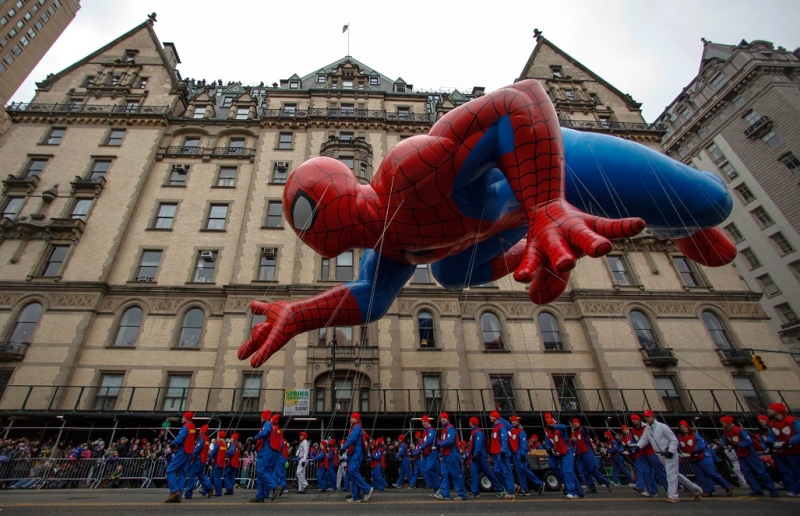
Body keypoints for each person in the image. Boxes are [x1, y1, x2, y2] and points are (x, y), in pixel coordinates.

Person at [239, 80, 736, 370]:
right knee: (451, 274)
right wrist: (299, 315)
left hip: (562, 168)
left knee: (713, 208)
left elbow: (521, 100)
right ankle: (544, 247)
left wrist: (545, 203)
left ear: (339, 191)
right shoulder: (387, 250)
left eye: (305, 214)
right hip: (521, 220)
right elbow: (369, 299)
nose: (311, 234)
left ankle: (679, 224)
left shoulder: (408, 170)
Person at [635, 410, 702, 503]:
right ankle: (697, 490)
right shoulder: (647, 429)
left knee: (671, 474)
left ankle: (673, 496)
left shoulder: (662, 427)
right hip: (659, 454)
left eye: (648, 416)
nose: (646, 418)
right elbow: (644, 439)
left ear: (653, 416)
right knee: (675, 474)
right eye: (645, 417)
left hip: (669, 453)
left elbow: (674, 440)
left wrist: (670, 451)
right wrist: (637, 446)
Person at [718, 416, 778, 497]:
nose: (722, 423)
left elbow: (748, 441)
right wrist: (720, 445)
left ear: (728, 422)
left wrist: (738, 445)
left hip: (749, 453)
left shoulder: (739, 430)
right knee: (746, 472)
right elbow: (724, 441)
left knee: (761, 471)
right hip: (740, 453)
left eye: (723, 422)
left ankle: (773, 490)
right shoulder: (726, 431)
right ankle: (756, 489)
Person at [678, 420, 732, 497]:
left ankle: (726, 486)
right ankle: (706, 490)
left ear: (688, 427)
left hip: (702, 457)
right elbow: (679, 446)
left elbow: (701, 444)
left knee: (710, 472)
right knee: (700, 475)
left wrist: (695, 450)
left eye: (684, 427)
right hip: (692, 458)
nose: (683, 429)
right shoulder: (680, 438)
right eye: (681, 427)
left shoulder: (695, 435)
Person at [544, 412, 584, 499]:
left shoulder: (560, 431)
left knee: (567, 471)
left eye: (551, 423)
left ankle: (571, 491)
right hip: (560, 455)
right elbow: (547, 442)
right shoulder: (548, 434)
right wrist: (548, 449)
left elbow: (564, 427)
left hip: (567, 453)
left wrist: (554, 426)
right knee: (567, 473)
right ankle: (580, 492)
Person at [570, 418, 614, 493]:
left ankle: (606, 482)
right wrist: (575, 452)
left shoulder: (582, 430)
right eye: (573, 423)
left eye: (576, 422)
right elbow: (576, 445)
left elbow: (585, 432)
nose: (575, 424)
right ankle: (592, 487)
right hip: (580, 454)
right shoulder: (575, 433)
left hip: (586, 452)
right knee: (584, 471)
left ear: (579, 423)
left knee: (592, 469)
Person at [765, 403, 800, 497]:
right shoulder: (772, 423)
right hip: (781, 451)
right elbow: (771, 435)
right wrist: (770, 442)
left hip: (795, 451)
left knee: (797, 469)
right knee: (786, 471)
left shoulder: (792, 421)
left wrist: (791, 442)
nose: (768, 410)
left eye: (770, 409)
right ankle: (794, 489)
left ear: (777, 411)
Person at [432, 412, 467, 500]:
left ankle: (462, 494)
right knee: (444, 474)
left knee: (456, 474)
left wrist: (439, 445)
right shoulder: (444, 429)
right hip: (446, 455)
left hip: (452, 454)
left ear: (447, 419)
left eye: (444, 418)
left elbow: (450, 441)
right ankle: (444, 493)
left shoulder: (450, 428)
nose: (442, 419)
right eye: (441, 418)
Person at [340, 412, 373, 503]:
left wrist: (344, 447)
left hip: (357, 452)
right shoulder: (356, 427)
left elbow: (352, 438)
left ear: (356, 419)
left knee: (353, 470)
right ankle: (356, 496)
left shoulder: (356, 427)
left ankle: (367, 488)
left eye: (352, 417)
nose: (350, 419)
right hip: (354, 452)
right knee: (353, 472)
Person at [509, 415, 545, 495]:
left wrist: (522, 453)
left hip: (519, 453)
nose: (513, 422)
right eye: (512, 421)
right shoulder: (512, 431)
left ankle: (539, 483)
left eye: (515, 420)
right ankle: (524, 489)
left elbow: (523, 443)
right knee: (520, 472)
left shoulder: (521, 431)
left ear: (518, 422)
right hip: (515, 453)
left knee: (524, 470)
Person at [164, 411, 196, 503]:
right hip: (189, 452)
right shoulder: (193, 427)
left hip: (182, 451)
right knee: (182, 473)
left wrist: (171, 443)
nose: (182, 419)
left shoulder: (185, 427)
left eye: (183, 417)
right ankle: (179, 494)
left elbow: (180, 439)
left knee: (170, 470)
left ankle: (174, 491)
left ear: (186, 418)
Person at [467, 416, 502, 497]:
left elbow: (478, 444)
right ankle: (474, 491)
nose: (469, 422)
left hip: (480, 456)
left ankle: (500, 488)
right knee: (474, 472)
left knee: (487, 472)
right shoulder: (475, 432)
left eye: (470, 421)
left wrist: (475, 453)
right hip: (477, 455)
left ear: (472, 423)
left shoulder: (477, 432)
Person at [250, 409, 280, 503]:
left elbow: (265, 433)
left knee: (261, 471)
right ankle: (260, 495)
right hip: (267, 451)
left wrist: (255, 438)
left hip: (265, 451)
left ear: (263, 417)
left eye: (261, 417)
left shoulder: (266, 424)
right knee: (261, 474)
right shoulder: (271, 425)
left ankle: (274, 487)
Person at [488, 411, 516, 499]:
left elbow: (504, 439)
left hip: (501, 453)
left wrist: (503, 451)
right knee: (497, 470)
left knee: (506, 471)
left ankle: (511, 491)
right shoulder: (495, 428)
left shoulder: (501, 427)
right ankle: (510, 486)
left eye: (491, 416)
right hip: (496, 453)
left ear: (495, 417)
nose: (490, 418)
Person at [184, 423, 215, 499]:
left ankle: (188, 493)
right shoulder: (207, 439)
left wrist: (191, 456)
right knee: (201, 475)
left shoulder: (202, 438)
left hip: (198, 459)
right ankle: (209, 487)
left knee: (192, 475)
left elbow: (197, 449)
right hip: (203, 460)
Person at [419, 415, 440, 489]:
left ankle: (438, 486)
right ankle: (436, 489)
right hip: (428, 453)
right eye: (422, 422)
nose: (423, 423)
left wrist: (422, 447)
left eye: (424, 421)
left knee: (428, 469)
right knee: (433, 471)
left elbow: (429, 440)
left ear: (428, 422)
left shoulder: (430, 430)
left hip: (432, 452)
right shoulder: (426, 431)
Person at [210, 430, 228, 497]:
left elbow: (213, 452)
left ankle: (218, 492)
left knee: (216, 478)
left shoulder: (218, 443)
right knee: (212, 477)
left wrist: (209, 459)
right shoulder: (224, 444)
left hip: (217, 462)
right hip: (221, 462)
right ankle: (206, 490)